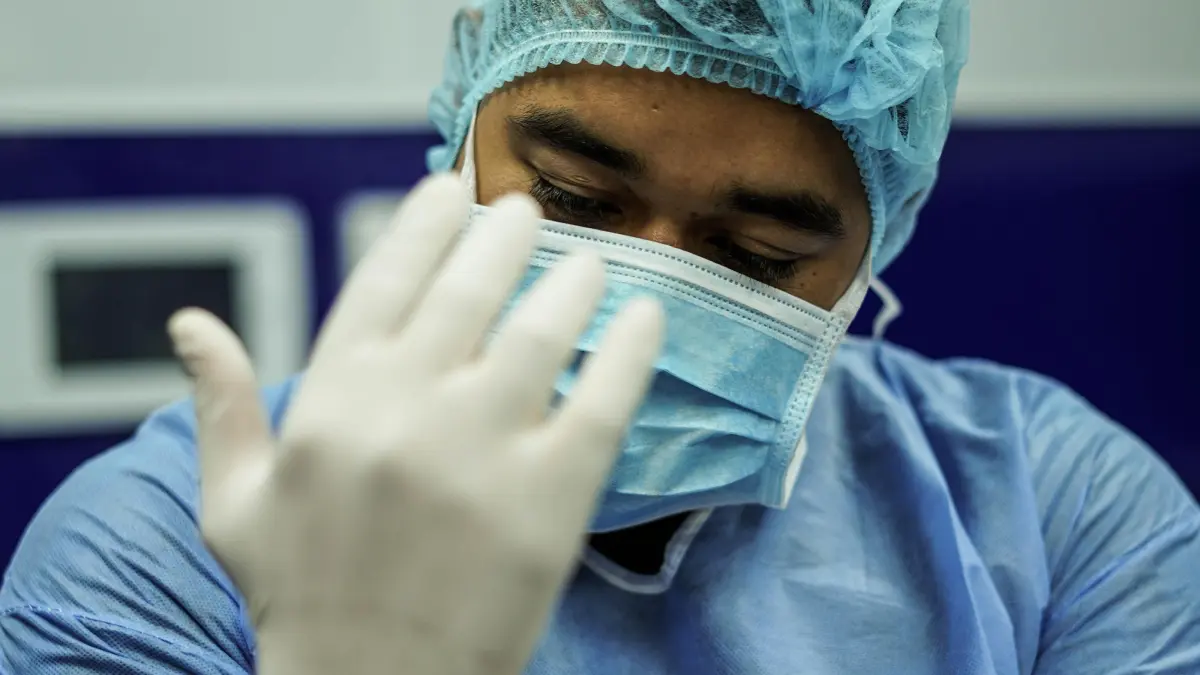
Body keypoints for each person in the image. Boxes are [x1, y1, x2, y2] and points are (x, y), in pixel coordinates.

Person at [3, 0, 1199, 673]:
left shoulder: (1054, 513)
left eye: (757, 256)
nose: (644, 306)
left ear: (869, 255)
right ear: (461, 135)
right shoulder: (163, 549)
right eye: (574, 201)